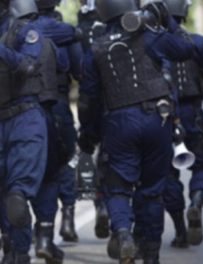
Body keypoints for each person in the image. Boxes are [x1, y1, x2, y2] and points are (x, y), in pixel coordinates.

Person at [78, 0, 194, 263]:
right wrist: (167, 20)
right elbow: (186, 49)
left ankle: (123, 234)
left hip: (118, 124)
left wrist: (89, 134)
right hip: (157, 119)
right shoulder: (150, 36)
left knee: (118, 188)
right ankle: (151, 254)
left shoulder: (95, 50)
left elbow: (88, 100)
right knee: (152, 191)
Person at [0, 0, 61, 262]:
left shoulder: (26, 31)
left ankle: (20, 251)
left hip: (25, 115)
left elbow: (28, 65)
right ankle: (13, 250)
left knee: (17, 194)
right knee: (7, 195)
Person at [161, 0, 203, 247]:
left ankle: (180, 232)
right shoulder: (196, 42)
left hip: (164, 119)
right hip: (193, 115)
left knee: (167, 175)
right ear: (184, 13)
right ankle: (195, 203)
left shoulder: (155, 44)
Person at [34, 0, 83, 244]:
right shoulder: (65, 32)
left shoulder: (13, 30)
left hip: (22, 111)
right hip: (58, 104)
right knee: (64, 162)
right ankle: (67, 219)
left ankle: (35, 230)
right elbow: (79, 70)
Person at [77, 0, 110, 240]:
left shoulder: (82, 32)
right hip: (123, 106)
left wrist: (86, 132)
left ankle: (102, 207)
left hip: (98, 106)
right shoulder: (132, 29)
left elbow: (85, 92)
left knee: (104, 161)